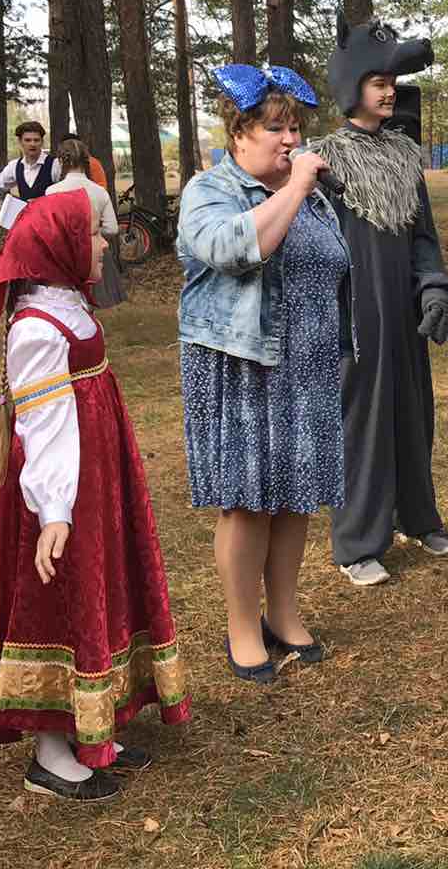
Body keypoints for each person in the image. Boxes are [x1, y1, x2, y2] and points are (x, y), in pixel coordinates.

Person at [0, 191, 187, 800]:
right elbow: (42, 423)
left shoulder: (69, 304)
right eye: (92, 234)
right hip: (60, 487)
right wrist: (54, 510)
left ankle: (94, 722)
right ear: (60, 247)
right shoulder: (36, 327)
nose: (105, 242)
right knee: (58, 598)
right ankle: (50, 751)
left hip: (98, 476)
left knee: (101, 583)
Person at [176, 63, 349, 683]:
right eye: (276, 128)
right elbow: (233, 250)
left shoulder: (310, 194)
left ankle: (284, 613)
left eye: (295, 127)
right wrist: (296, 187)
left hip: (308, 364)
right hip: (244, 364)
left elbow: (333, 264)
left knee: (296, 496)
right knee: (247, 503)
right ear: (238, 134)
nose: (291, 139)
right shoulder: (209, 191)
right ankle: (243, 627)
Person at [313, 13, 448, 587]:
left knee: (412, 413)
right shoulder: (325, 161)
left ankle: (417, 516)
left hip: (403, 313)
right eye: (378, 82)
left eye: (392, 82)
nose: (389, 91)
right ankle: (357, 543)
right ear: (352, 86)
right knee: (363, 424)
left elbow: (424, 238)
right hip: (354, 313)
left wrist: (434, 290)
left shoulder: (404, 155)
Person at [49, 136, 127, 308]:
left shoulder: (52, 191)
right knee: (90, 301)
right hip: (92, 253)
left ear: (61, 160)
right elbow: (112, 228)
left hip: (64, 254)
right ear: (87, 160)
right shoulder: (99, 191)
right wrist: (92, 233)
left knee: (65, 300)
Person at [0, 121, 59, 207]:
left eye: (36, 140)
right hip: (25, 215)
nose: (32, 144)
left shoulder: (55, 165)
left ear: (42, 142)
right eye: (27, 140)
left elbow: (66, 195)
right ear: (20, 142)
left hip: (51, 215)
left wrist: (44, 202)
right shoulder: (14, 166)